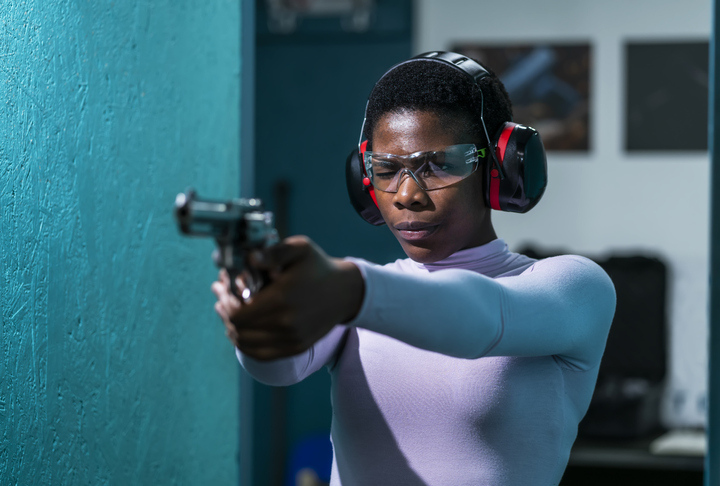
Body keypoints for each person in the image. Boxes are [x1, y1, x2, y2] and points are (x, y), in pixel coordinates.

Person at [212, 51, 616, 485]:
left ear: (501, 167)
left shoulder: (574, 288)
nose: (407, 194)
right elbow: (280, 368)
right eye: (386, 169)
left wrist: (349, 290)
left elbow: (480, 319)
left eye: (439, 165)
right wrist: (255, 319)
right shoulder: (361, 294)